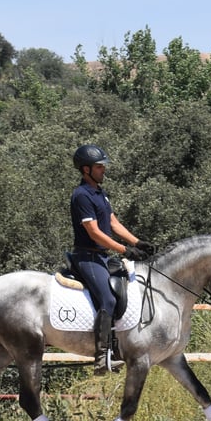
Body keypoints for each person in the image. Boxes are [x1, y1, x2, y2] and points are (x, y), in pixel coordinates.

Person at [70, 144, 156, 376]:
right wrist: (123, 250)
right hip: (87, 256)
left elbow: (113, 223)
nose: (103, 170)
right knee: (107, 299)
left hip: (102, 256)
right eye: (99, 167)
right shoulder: (81, 196)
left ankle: (119, 344)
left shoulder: (99, 193)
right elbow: (95, 232)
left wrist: (137, 242)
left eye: (103, 166)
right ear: (85, 169)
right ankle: (101, 356)